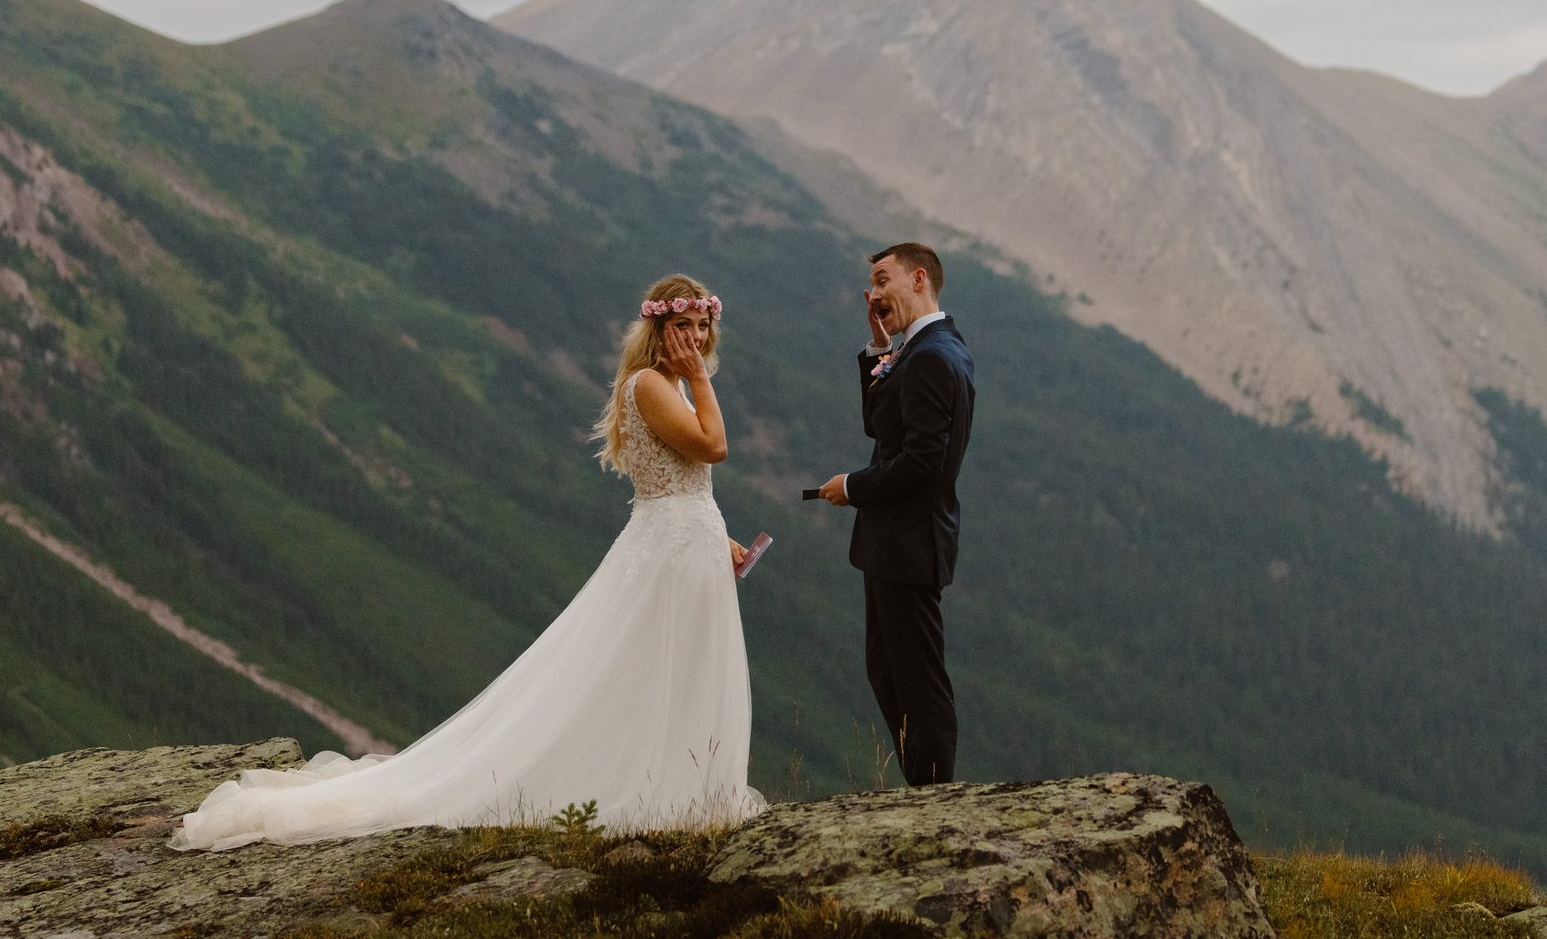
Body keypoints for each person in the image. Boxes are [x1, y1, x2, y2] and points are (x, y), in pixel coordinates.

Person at [174, 275, 765, 849]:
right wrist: (699, 380)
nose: (693, 338)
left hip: (683, 543)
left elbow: (680, 484)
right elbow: (713, 447)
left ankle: (684, 787)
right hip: (669, 551)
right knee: (651, 668)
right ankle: (652, 791)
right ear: (657, 331)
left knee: (673, 666)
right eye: (681, 326)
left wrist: (718, 536)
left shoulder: (668, 384)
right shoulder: (654, 385)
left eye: (700, 326)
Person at [813, 242, 975, 786]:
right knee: (888, 670)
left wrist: (853, 487)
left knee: (918, 680)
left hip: (910, 543)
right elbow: (881, 428)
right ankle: (922, 785)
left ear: (919, 278)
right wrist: (878, 350)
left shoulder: (930, 355)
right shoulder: (925, 347)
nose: (875, 294)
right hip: (895, 544)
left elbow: (923, 464)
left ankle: (934, 795)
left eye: (883, 281)